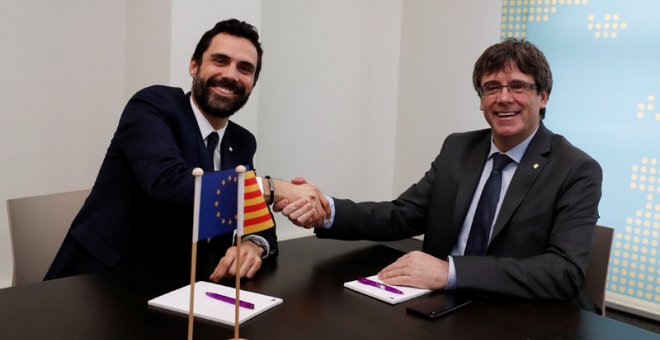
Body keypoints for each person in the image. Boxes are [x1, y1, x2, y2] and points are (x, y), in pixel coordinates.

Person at [277, 38, 603, 310]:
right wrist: (327, 211)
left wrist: (450, 271)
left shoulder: (576, 169)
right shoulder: (459, 149)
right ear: (481, 100)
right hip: (441, 307)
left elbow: (564, 272)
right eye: (491, 87)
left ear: (542, 97)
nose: (504, 98)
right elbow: (401, 215)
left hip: (525, 315)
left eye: (518, 86)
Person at [45, 19, 324, 283]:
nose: (230, 75)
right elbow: (168, 184)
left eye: (245, 68)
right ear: (194, 66)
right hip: (100, 283)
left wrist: (252, 245)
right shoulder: (153, 106)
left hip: (183, 286)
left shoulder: (242, 141)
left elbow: (256, 217)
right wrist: (273, 188)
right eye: (220, 61)